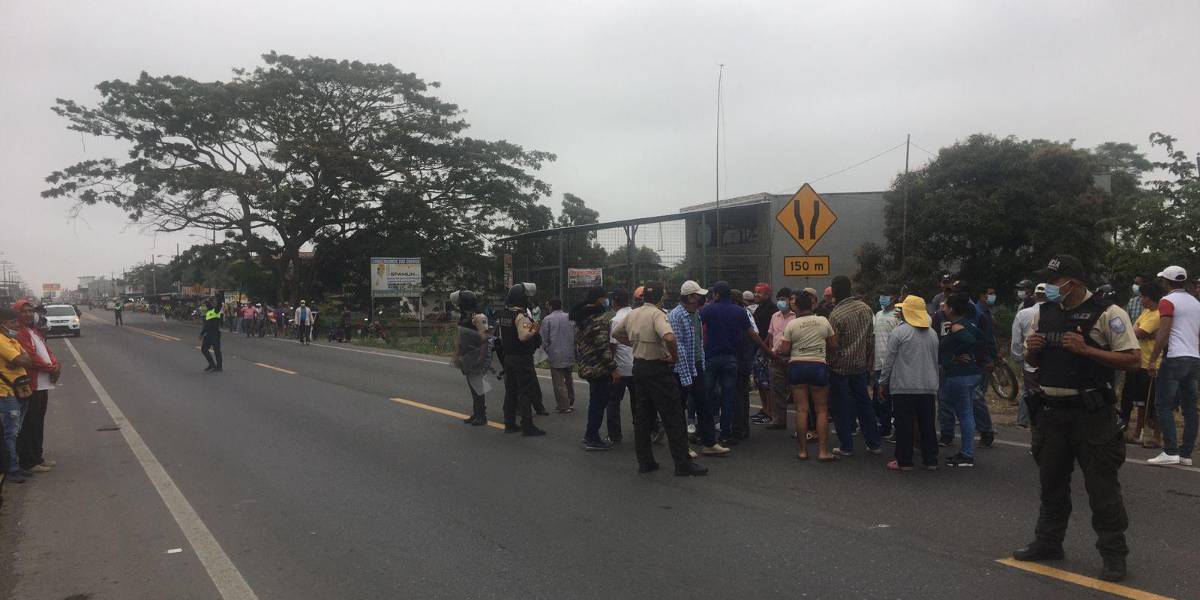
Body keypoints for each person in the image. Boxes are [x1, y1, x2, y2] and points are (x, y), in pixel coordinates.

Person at [1016, 254, 1137, 582]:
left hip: (1091, 416)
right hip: (1051, 413)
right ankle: (1048, 542)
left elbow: (1132, 359)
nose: (1052, 287)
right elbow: (1031, 358)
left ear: (1075, 282)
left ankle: (1114, 555)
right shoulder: (1044, 312)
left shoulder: (1108, 313)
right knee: (1051, 483)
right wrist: (1032, 349)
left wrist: (1087, 350)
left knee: (1102, 489)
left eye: (1057, 282)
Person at [613, 282, 707, 476]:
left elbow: (616, 334)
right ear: (660, 297)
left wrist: (633, 344)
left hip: (639, 366)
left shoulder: (633, 313)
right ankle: (683, 464)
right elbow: (670, 337)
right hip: (657, 368)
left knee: (643, 416)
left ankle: (646, 462)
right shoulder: (657, 314)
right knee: (673, 416)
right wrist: (674, 356)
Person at [701, 281, 772, 446]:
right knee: (729, 397)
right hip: (731, 358)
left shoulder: (709, 309)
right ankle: (726, 433)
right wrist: (768, 352)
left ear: (717, 295)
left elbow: (697, 327)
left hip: (711, 357)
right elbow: (753, 334)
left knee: (707, 395)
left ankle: (707, 432)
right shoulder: (740, 312)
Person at [1146, 265, 1200, 467]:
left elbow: (1164, 331)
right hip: (1194, 357)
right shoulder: (1195, 303)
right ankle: (1185, 454)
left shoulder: (1167, 301)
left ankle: (1170, 451)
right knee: (1190, 408)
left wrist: (1153, 358)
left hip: (1175, 356)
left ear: (1165, 282)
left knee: (1164, 404)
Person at [880, 295, 940, 471]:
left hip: (904, 386)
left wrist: (883, 382)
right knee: (927, 424)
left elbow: (889, 360)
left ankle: (904, 461)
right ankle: (931, 460)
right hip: (928, 386)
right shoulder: (933, 334)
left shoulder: (899, 332)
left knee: (904, 424)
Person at [775, 290, 837, 461]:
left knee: (801, 409)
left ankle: (803, 451)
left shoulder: (792, 325)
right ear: (812, 305)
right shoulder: (823, 321)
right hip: (818, 365)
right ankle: (823, 452)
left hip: (797, 367)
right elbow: (833, 344)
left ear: (796, 308)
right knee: (822, 410)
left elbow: (785, 350)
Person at [668, 280, 727, 457]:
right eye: (698, 295)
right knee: (679, 409)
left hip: (696, 366)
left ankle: (710, 443)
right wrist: (687, 375)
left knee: (704, 404)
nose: (701, 298)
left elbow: (698, 341)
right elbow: (679, 348)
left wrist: (699, 366)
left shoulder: (695, 314)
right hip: (681, 369)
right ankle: (681, 447)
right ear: (690, 297)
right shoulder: (676, 316)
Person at [827, 275, 881, 457]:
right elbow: (870, 338)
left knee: (841, 407)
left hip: (840, 366)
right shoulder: (866, 309)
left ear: (834, 291)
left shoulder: (836, 314)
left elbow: (833, 344)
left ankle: (846, 446)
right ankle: (874, 443)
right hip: (860, 364)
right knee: (864, 404)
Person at [14, 300, 60, 475]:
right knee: (29, 424)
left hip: (42, 384)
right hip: (31, 384)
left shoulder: (33, 331)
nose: (27, 314)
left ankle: (38, 457)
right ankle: (28, 461)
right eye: (23, 311)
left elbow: (47, 351)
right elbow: (31, 358)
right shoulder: (20, 333)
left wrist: (56, 364)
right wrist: (51, 367)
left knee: (38, 422)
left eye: (29, 311)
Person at [938, 292, 983, 467]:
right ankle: (966, 451)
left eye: (946, 304)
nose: (943, 307)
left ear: (952, 308)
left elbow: (970, 340)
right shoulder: (968, 323)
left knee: (964, 414)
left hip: (960, 375)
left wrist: (956, 356)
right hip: (971, 373)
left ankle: (966, 454)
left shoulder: (957, 327)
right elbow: (982, 339)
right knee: (966, 412)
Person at [572, 287, 618, 451]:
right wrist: (613, 368)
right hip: (599, 368)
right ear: (599, 299)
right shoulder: (596, 320)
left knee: (595, 403)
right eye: (605, 298)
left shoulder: (581, 318)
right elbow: (602, 347)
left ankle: (590, 435)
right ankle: (592, 437)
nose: (607, 300)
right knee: (598, 404)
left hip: (588, 365)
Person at [498, 283, 546, 437]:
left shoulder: (504, 314)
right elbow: (523, 336)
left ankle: (509, 423)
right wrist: (534, 329)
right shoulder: (521, 316)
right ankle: (528, 426)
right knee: (525, 391)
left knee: (510, 391)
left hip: (508, 357)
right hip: (522, 358)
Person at [1122, 281, 1162, 447]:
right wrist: (1138, 332)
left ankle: (1156, 437)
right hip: (1139, 362)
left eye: (1143, 296)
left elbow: (1138, 331)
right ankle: (1137, 433)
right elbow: (1134, 329)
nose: (1141, 300)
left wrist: (1139, 332)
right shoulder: (1146, 311)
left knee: (1152, 402)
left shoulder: (1158, 314)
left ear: (1150, 297)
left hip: (1152, 364)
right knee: (1139, 402)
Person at [0, 308, 34, 484]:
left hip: (19, 390)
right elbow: (22, 360)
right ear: (3, 324)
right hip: (6, 393)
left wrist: (20, 359)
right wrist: (20, 359)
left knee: (16, 430)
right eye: (13, 323)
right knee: (10, 433)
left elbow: (29, 359)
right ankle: (12, 469)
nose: (16, 325)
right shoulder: (1, 341)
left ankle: (15, 465)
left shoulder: (11, 340)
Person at [451, 290, 491, 426]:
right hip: (467, 356)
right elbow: (460, 338)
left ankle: (482, 415)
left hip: (476, 355)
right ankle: (476, 413)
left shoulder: (479, 317)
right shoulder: (464, 317)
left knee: (478, 386)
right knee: (472, 386)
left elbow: (485, 339)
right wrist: (457, 356)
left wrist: (481, 358)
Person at [1011, 283, 1047, 428]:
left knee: (1028, 392)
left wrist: (1019, 359)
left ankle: (1023, 421)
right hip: (1049, 363)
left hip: (1029, 360)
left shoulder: (1023, 314)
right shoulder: (1057, 313)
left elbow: (1015, 342)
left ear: (1035, 295)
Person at [765, 287, 796, 431]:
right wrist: (772, 351)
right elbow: (771, 336)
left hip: (792, 357)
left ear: (790, 300)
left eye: (783, 299)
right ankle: (779, 420)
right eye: (778, 299)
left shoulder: (795, 316)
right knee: (777, 390)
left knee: (796, 391)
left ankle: (800, 423)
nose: (780, 302)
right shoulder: (774, 316)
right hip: (776, 357)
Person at [539, 298, 576, 414]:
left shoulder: (547, 319)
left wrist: (542, 351)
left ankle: (564, 405)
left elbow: (543, 338)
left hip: (555, 352)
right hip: (569, 351)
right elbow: (575, 333)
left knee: (558, 381)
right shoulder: (569, 317)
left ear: (550, 306)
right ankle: (570, 399)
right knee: (569, 378)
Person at [607, 289, 635, 443]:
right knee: (638, 401)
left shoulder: (616, 320)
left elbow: (613, 346)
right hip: (637, 364)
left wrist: (611, 368)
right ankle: (644, 429)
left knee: (613, 401)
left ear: (615, 302)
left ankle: (614, 434)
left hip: (621, 367)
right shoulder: (636, 314)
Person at [872, 287, 900, 438]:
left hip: (893, 363)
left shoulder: (897, 315)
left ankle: (895, 429)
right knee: (881, 398)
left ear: (894, 297)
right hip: (878, 363)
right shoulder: (878, 314)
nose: (883, 298)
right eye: (882, 295)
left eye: (886, 295)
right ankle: (884, 427)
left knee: (893, 398)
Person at [750, 283, 776, 425]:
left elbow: (769, 332)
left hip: (764, 350)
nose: (756, 295)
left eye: (759, 293)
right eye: (755, 292)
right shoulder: (759, 308)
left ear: (767, 294)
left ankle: (769, 411)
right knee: (760, 381)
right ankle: (764, 409)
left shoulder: (772, 309)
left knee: (766, 382)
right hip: (758, 349)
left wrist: (764, 348)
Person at [200, 298, 224, 372]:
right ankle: (212, 364)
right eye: (207, 304)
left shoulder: (215, 311)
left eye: (208, 303)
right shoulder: (208, 313)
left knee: (216, 350)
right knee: (204, 349)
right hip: (208, 334)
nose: (207, 305)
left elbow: (219, 304)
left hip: (215, 334)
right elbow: (206, 325)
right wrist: (202, 334)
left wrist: (218, 295)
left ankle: (219, 366)